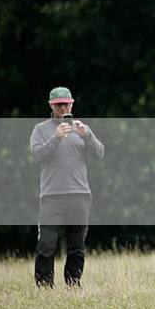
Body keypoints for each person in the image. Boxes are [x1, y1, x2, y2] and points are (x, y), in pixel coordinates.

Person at [30, 86, 104, 288]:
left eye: (66, 103)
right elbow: (37, 156)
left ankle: (73, 284)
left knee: (77, 247)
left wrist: (87, 135)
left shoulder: (81, 128)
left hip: (79, 196)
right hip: (51, 197)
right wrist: (56, 138)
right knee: (46, 244)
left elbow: (99, 153)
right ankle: (45, 288)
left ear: (72, 103)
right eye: (58, 104)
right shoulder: (41, 129)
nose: (63, 108)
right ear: (51, 106)